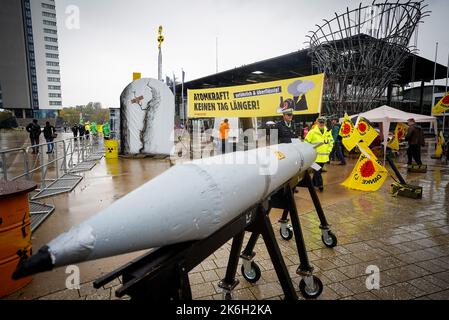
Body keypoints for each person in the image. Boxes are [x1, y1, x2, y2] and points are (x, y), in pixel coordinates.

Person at [304, 116, 334, 192]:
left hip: (324, 157)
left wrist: (328, 151)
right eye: (320, 122)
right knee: (317, 171)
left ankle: (312, 183)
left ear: (325, 123)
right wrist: (309, 153)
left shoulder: (328, 132)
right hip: (314, 157)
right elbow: (306, 143)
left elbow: (331, 142)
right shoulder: (312, 132)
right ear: (317, 122)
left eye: (323, 122)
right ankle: (320, 184)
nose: (321, 124)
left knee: (318, 171)